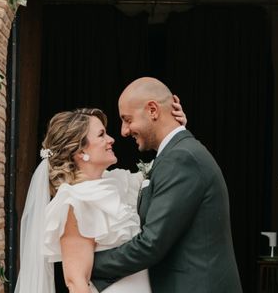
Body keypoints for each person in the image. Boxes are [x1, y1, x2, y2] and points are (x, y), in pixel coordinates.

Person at [15, 98, 186, 293]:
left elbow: (169, 170)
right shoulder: (76, 203)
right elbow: (76, 282)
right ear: (81, 152)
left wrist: (174, 131)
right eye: (101, 134)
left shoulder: (117, 182)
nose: (111, 139)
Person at [91, 77, 242, 292]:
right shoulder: (177, 155)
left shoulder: (180, 159)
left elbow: (150, 244)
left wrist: (86, 263)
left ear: (153, 110)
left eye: (127, 119)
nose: (124, 131)